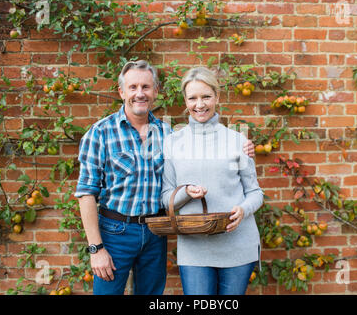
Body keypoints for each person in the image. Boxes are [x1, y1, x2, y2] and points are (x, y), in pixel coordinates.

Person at [75, 60, 255, 295]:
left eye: (146, 87)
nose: (140, 93)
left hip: (154, 232)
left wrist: (243, 146)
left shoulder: (168, 134)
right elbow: (86, 193)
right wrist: (96, 248)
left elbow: (204, 151)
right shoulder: (100, 133)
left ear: (156, 92)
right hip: (115, 232)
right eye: (133, 87)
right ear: (121, 92)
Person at [161, 66, 264, 295]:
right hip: (194, 247)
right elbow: (165, 196)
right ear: (185, 101)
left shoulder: (238, 140)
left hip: (237, 243)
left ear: (217, 96)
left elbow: (255, 193)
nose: (200, 104)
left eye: (206, 96)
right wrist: (187, 192)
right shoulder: (172, 142)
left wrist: (243, 210)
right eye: (193, 98)